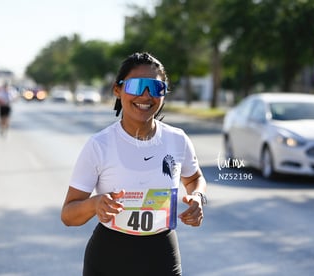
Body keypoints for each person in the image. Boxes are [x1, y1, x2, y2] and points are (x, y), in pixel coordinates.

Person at [61, 52, 207, 276]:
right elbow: (68, 215)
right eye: (137, 86)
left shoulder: (177, 139)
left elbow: (195, 179)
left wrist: (198, 197)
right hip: (109, 256)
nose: (146, 95)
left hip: (162, 255)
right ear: (117, 90)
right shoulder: (99, 145)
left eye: (156, 88)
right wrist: (94, 204)